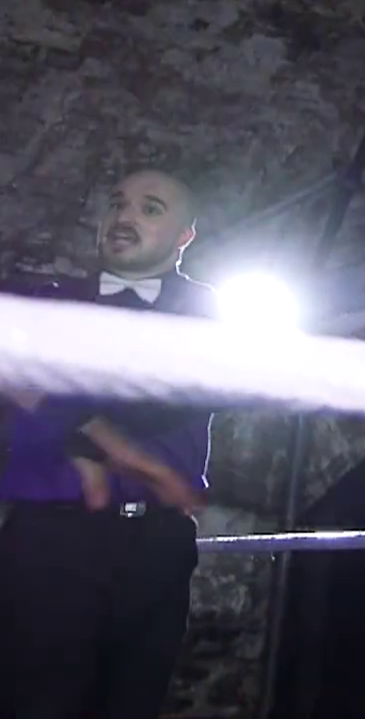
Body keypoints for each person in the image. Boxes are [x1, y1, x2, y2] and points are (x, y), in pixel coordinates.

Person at [0, 168, 220, 719]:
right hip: (50, 538)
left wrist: (72, 419)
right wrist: (103, 436)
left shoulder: (209, 315)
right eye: (117, 203)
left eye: (150, 208)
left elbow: (167, 397)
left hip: (156, 546)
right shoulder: (47, 305)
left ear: (185, 235)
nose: (124, 216)